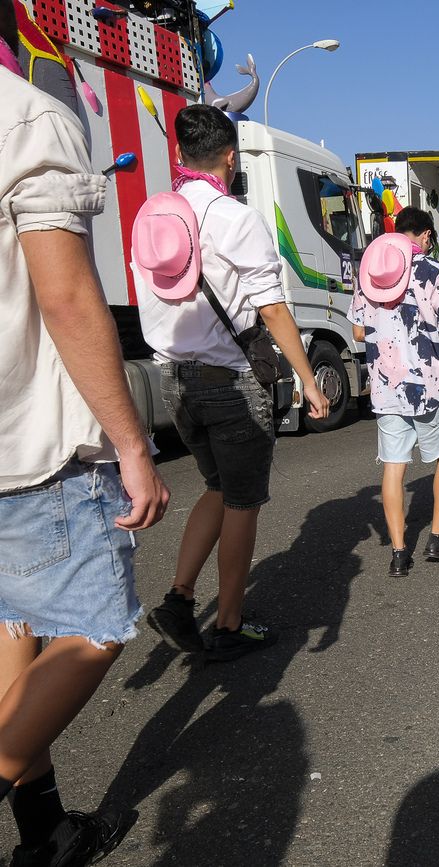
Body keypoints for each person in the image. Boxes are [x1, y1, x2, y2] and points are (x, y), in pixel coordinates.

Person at [0, 32, 169, 862]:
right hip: (28, 443)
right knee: (96, 626)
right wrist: (131, 443)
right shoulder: (25, 115)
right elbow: (64, 292)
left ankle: (46, 831)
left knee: (15, 625)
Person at [137, 104, 327, 662]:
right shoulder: (234, 216)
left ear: (179, 154)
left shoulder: (153, 214)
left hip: (173, 379)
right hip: (231, 380)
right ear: (229, 157)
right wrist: (309, 381)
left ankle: (178, 598)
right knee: (243, 502)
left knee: (217, 489)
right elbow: (272, 310)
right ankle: (227, 624)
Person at [350, 209, 439, 577]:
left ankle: (399, 552)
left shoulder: (370, 272)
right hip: (430, 383)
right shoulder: (434, 271)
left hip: (386, 385)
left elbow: (356, 333)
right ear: (427, 236)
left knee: (393, 466)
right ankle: (437, 538)